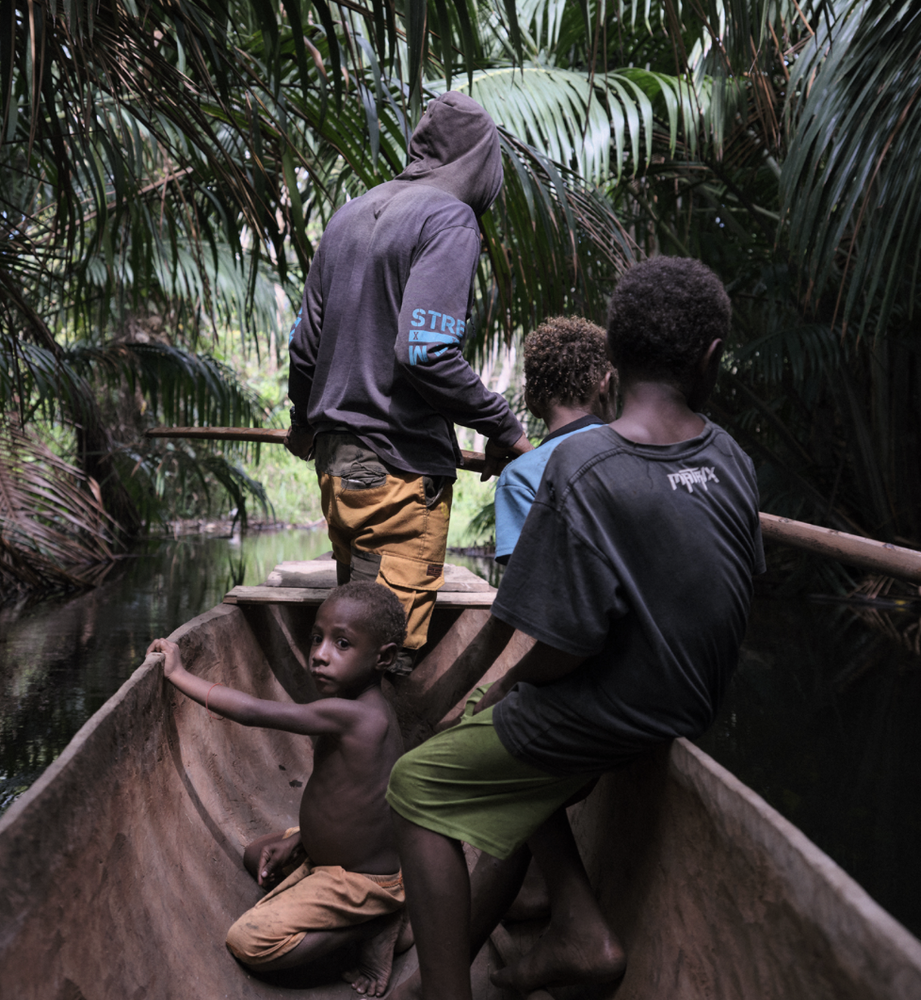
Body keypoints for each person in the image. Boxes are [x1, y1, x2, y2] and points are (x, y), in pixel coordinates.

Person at [384, 256, 766, 1000]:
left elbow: (560, 650)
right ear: (710, 358)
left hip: (617, 710)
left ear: (613, 361)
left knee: (414, 784)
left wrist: (505, 689)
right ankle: (574, 926)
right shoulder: (731, 458)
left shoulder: (586, 466)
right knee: (509, 739)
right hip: (691, 703)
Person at [284, 91, 531, 674]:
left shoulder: (348, 215)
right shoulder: (449, 218)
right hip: (397, 471)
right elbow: (424, 352)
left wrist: (302, 425)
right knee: (388, 655)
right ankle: (376, 759)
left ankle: (343, 749)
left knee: (354, 641)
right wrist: (506, 429)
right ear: (479, 162)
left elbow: (303, 347)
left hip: (338, 469)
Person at [147, 582, 411, 997]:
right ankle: (361, 903)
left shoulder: (356, 716)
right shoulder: (357, 705)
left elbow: (252, 712)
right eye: (316, 638)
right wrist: (305, 839)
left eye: (342, 644)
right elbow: (362, 803)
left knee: (248, 942)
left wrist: (178, 673)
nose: (320, 654)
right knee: (258, 854)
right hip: (339, 855)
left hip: (362, 879)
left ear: (385, 658)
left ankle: (371, 926)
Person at [493, 315, 616, 564]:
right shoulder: (643, 452)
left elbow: (527, 580)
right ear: (606, 384)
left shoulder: (520, 476)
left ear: (530, 401)